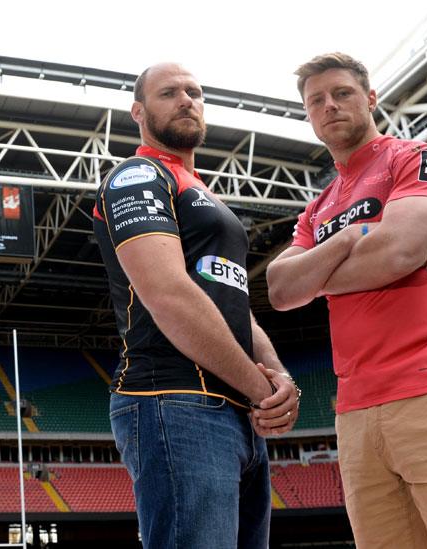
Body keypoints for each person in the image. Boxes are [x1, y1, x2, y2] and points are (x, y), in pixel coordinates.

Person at [267, 53, 427, 548]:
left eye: (342, 93)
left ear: (370, 98)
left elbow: (399, 252)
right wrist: (346, 240)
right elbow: (279, 290)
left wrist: (316, 273)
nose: (330, 106)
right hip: (355, 412)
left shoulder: (422, 158)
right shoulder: (317, 208)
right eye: (316, 100)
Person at [92, 62, 300, 549]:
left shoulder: (201, 190)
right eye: (169, 93)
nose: (186, 99)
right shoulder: (137, 175)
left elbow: (234, 301)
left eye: (195, 92)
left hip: (234, 411)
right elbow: (167, 293)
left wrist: (278, 376)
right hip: (174, 400)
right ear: (139, 112)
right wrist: (259, 387)